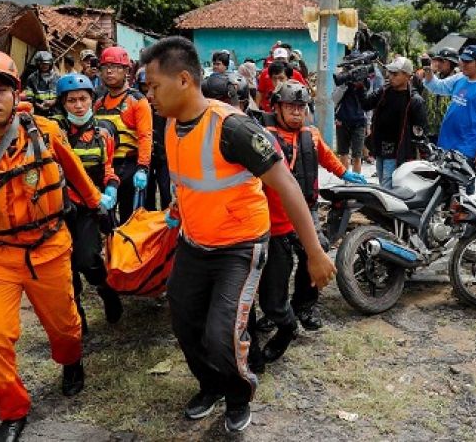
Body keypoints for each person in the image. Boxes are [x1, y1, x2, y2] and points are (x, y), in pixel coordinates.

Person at [141, 36, 336, 433]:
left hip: (240, 249)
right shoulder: (170, 125)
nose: (148, 96)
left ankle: (237, 394)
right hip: (195, 244)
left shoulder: (234, 128)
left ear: (183, 80)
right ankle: (210, 386)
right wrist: (175, 218)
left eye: (153, 86)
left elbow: (287, 185)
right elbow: (188, 183)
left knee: (222, 333)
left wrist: (314, 252)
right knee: (184, 322)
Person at [0, 50, 111, 442]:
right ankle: (13, 412)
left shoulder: (45, 130)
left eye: (0, 90)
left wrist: (98, 204)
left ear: (16, 93)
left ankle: (72, 361)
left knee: (65, 329)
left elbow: (75, 171)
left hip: (49, 247)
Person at [256, 81, 367, 356]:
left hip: (306, 211)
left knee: (315, 255)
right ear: (277, 107)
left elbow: (328, 158)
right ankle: (276, 312)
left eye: (300, 107)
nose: (296, 112)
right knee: (275, 270)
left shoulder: (312, 135)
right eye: (290, 106)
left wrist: (345, 174)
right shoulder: (262, 135)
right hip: (274, 217)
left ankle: (305, 306)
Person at [55, 73, 124, 334]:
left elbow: (108, 168)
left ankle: (107, 290)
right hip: (59, 208)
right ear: (63, 103)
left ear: (91, 100)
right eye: (71, 100)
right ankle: (77, 315)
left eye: (83, 99)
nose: (78, 105)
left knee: (87, 260)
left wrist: (112, 187)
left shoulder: (104, 131)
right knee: (64, 268)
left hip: (89, 207)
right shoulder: (55, 133)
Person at [422, 45, 476, 195]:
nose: (463, 64)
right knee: (442, 186)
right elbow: (437, 87)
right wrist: (428, 70)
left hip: (468, 145)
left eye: (468, 62)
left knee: (462, 188)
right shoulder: (459, 78)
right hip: (447, 141)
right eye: (462, 61)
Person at [93, 46, 153, 224]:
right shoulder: (98, 103)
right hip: (106, 167)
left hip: (130, 165)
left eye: (116, 66)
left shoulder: (137, 101)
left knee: (129, 218)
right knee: (105, 218)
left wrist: (143, 167)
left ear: (126, 71)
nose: (110, 71)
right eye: (105, 67)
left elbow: (145, 136)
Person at [361, 56, 427, 188]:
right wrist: (359, 85)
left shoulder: (415, 101)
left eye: (395, 74)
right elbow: (366, 103)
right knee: (382, 180)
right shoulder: (384, 91)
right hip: (380, 146)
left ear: (408, 76)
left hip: (399, 150)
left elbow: (420, 131)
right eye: (390, 73)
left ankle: (387, 208)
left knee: (387, 183)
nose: (391, 77)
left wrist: (419, 154)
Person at [133, 67, 171, 211]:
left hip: (163, 154)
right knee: (147, 194)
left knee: (165, 191)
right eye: (144, 86)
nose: (147, 91)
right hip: (145, 155)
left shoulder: (165, 103)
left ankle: (167, 225)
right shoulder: (137, 104)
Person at [332, 56, 372, 175]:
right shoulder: (342, 79)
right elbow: (334, 99)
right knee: (343, 153)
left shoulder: (365, 81)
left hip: (359, 121)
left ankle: (356, 183)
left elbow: (369, 104)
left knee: (357, 156)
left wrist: (368, 124)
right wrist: (344, 85)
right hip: (342, 121)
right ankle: (345, 181)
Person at [256, 47, 307, 112]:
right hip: (269, 111)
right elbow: (260, 92)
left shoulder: (296, 74)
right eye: (278, 59)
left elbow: (304, 91)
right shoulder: (265, 73)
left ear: (287, 59)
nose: (280, 61)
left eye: (283, 58)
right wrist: (256, 109)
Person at [23, 50, 60, 117]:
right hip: (38, 111)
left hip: (55, 111)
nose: (44, 66)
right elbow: (29, 95)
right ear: (37, 64)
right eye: (42, 64)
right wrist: (36, 104)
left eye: (47, 64)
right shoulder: (32, 78)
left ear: (50, 64)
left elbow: (62, 95)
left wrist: (54, 101)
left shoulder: (57, 77)